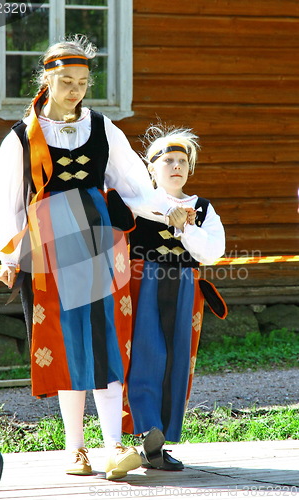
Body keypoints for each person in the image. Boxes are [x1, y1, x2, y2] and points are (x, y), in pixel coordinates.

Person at [0, 35, 179, 480]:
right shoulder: (22, 138)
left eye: (83, 82)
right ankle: (77, 449)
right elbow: (7, 203)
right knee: (67, 342)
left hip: (102, 243)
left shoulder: (104, 128)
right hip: (51, 249)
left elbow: (133, 183)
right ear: (48, 79)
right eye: (67, 81)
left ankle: (113, 446)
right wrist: (9, 253)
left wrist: (169, 208)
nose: (76, 90)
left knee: (109, 338)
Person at [122, 124, 227, 470]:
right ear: (151, 167)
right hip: (143, 284)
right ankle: (143, 431)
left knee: (176, 359)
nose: (177, 166)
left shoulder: (203, 208)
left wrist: (185, 227)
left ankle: (159, 443)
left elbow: (212, 252)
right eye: (168, 160)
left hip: (184, 287)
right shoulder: (139, 204)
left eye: (183, 160)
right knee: (144, 354)